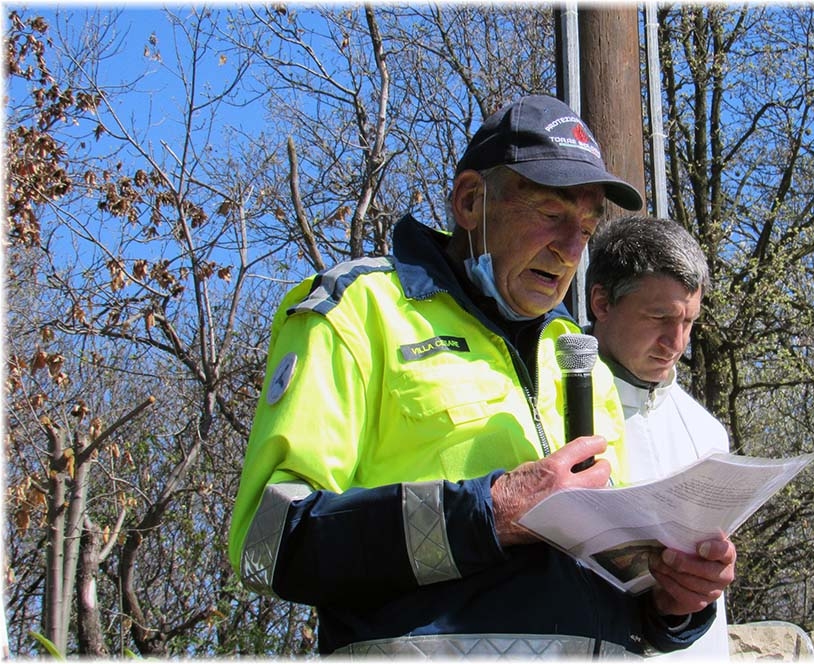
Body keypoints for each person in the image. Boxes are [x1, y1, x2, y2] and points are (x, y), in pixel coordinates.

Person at [227, 94, 736, 657]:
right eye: (551, 215)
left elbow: (606, 585)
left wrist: (672, 600)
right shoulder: (358, 309)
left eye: (587, 229)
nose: (571, 250)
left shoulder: (576, 352)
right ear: (471, 201)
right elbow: (268, 543)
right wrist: (491, 512)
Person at [587, 215, 732, 660]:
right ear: (602, 303)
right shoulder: (551, 406)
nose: (677, 343)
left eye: (689, 321)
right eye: (660, 318)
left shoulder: (707, 433)